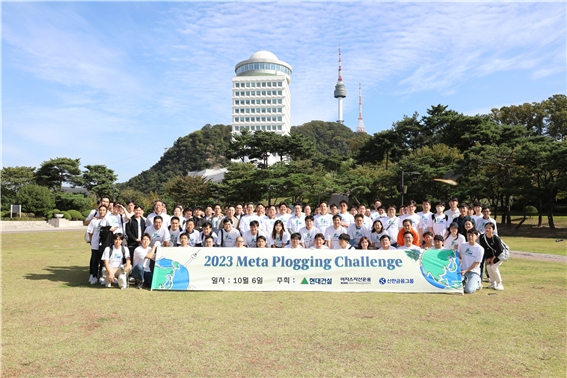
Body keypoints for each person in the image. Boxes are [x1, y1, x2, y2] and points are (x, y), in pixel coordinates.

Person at [479, 222, 505, 290]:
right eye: (486, 228)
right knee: (488, 266)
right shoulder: (482, 237)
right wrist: (488, 258)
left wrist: (493, 259)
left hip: (499, 255)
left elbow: (500, 250)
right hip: (491, 256)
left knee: (493, 267)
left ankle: (500, 283)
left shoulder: (496, 238)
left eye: (489, 228)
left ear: (493, 230)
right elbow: (485, 249)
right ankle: (493, 283)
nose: (487, 229)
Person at [458, 229, 484, 294]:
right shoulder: (463, 245)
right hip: (462, 271)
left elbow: (476, 263)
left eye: (472, 235)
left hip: (473, 272)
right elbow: (459, 256)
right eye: (468, 235)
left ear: (476, 237)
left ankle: (478, 283)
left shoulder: (480, 249)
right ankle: (465, 281)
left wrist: (466, 270)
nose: (470, 237)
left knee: (469, 290)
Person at [87, 204, 108, 284]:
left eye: (103, 210)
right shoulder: (94, 221)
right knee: (95, 261)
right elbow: (90, 232)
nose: (102, 212)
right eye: (100, 210)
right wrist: (93, 240)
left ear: (106, 212)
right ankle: (94, 276)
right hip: (95, 244)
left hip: (104, 245)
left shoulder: (107, 221)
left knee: (103, 261)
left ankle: (102, 277)